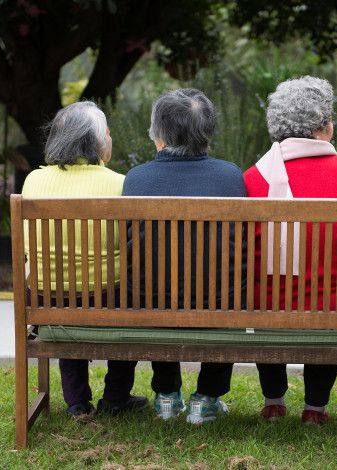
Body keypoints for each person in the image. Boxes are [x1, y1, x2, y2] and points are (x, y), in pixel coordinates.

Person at [243, 76, 337, 425]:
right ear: (323, 127)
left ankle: (274, 401)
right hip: (335, 307)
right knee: (331, 296)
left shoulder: (254, 177)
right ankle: (315, 408)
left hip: (267, 304)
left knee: (267, 292)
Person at [123, 88, 247, 424]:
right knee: (228, 294)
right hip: (218, 303)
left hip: (151, 303)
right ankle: (207, 396)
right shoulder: (230, 177)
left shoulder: (137, 180)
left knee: (155, 286)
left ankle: (166, 394)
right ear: (207, 132)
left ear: (158, 134)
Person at [21, 101, 148, 418]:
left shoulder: (33, 182)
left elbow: (26, 246)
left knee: (65, 294)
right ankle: (116, 396)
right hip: (109, 300)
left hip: (46, 301)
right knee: (124, 293)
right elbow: (132, 248)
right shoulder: (119, 184)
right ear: (101, 140)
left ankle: (77, 401)